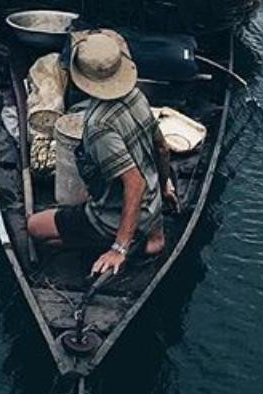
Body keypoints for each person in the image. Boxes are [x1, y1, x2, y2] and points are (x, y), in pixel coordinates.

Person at [27, 29, 177, 277]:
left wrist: (119, 248)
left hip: (114, 219)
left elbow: (135, 184)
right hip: (153, 209)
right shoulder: (136, 95)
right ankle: (152, 233)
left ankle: (126, 243)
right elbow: (161, 148)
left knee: (34, 227)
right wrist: (163, 188)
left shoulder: (98, 126)